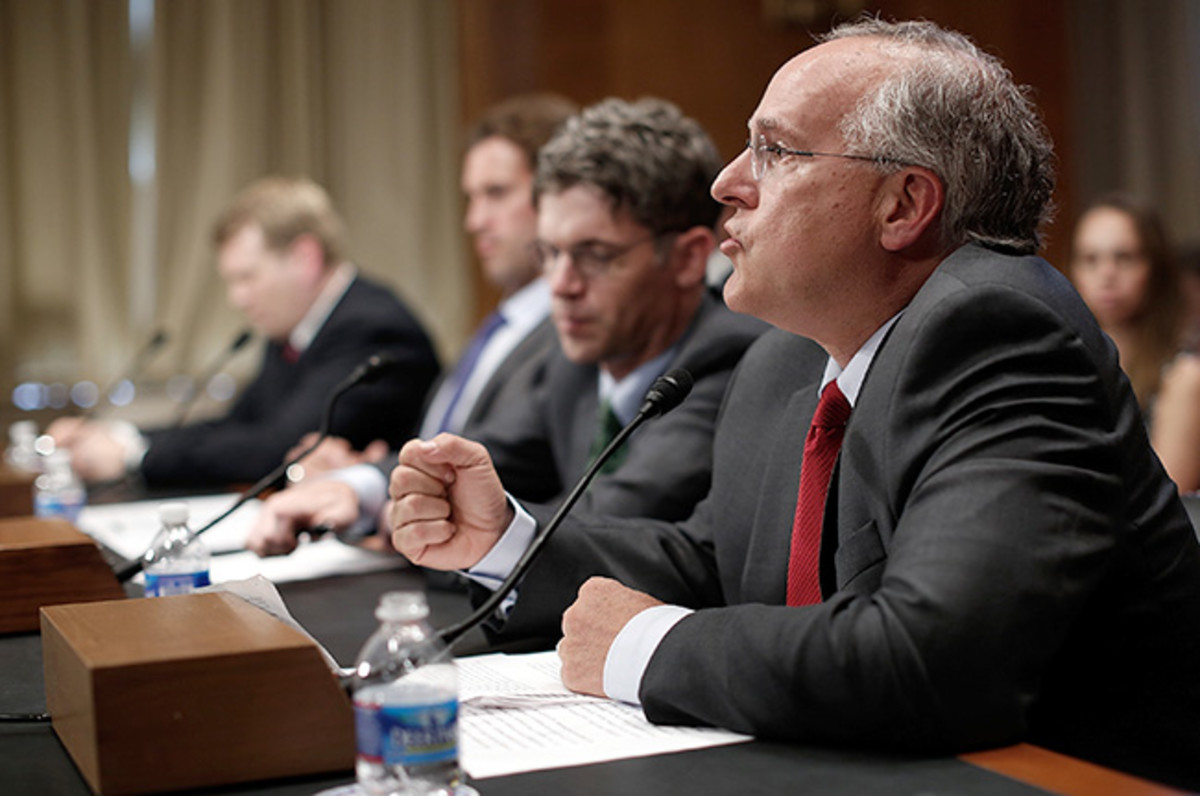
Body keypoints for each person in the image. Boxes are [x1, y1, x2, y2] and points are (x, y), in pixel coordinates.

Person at [387, 18, 1200, 791]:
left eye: (773, 151)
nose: (726, 183)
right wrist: (507, 541)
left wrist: (644, 644)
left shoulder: (999, 331)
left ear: (904, 205)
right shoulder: (787, 358)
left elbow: (935, 660)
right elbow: (715, 561)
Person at [251, 97, 766, 564]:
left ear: (687, 258)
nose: (561, 286)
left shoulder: (727, 360)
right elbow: (485, 455)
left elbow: (606, 524)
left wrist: (426, 525)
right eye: (550, 253)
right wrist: (358, 490)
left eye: (595, 256)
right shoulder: (575, 365)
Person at [248, 93, 577, 554]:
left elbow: (509, 451)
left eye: (496, 194)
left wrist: (361, 484)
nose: (474, 220)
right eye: (471, 197)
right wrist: (361, 469)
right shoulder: (502, 324)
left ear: (557, 196)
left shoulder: (575, 326)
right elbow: (452, 436)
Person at [49, 176, 440, 488]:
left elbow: (279, 448)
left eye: (247, 277)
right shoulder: (295, 326)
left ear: (305, 258)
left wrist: (134, 457)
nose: (237, 298)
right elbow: (240, 426)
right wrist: (123, 436)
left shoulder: (371, 327)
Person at [1070, 194, 1200, 492]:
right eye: (1090, 259)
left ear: (1154, 268)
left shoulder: (1182, 377)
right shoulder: (1062, 364)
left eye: (1124, 257)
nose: (1107, 274)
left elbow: (1169, 500)